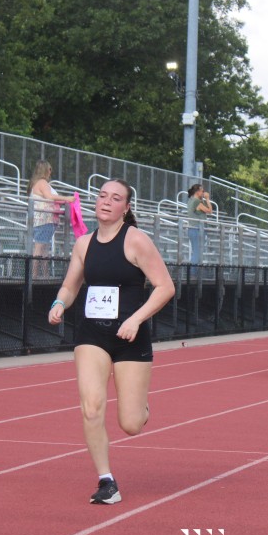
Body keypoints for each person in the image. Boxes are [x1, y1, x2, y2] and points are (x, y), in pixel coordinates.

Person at [48, 179, 175, 505]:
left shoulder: (136, 240)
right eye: (102, 195)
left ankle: (140, 407)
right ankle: (106, 481)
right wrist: (59, 303)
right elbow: (70, 286)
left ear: (126, 208)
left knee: (130, 424)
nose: (106, 201)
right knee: (91, 407)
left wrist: (136, 319)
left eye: (115, 198)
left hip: (130, 337)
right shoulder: (83, 244)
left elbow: (165, 287)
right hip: (92, 335)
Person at [28, 160, 76, 278]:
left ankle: (45, 275)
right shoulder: (42, 182)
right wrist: (67, 198)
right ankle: (34, 275)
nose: (51, 172)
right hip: (44, 219)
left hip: (43, 220)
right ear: (46, 170)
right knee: (40, 247)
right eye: (49, 169)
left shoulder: (37, 183)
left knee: (43, 248)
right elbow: (49, 197)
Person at [185, 183, 212, 268]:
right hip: (197, 229)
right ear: (197, 192)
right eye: (202, 191)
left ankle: (193, 271)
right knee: (197, 253)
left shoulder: (191, 200)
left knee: (196, 252)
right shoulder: (196, 201)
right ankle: (193, 272)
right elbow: (209, 211)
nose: (203, 193)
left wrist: (203, 199)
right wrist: (207, 199)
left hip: (193, 229)